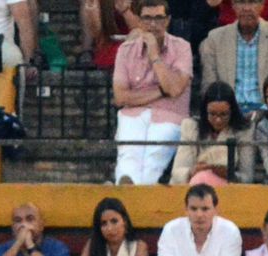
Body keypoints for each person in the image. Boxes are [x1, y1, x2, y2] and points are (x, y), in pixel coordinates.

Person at [111, 0, 193, 186]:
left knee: (154, 158)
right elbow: (121, 97)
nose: (153, 24)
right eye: (147, 19)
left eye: (158, 18)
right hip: (133, 114)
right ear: (139, 21)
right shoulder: (125, 50)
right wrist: (161, 91)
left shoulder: (182, 47)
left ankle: (131, 196)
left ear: (168, 20)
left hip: (170, 115)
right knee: (129, 154)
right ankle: (128, 189)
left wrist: (154, 55)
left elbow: (174, 89)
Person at [197, 0, 268, 115]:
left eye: (252, 2)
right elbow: (209, 87)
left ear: (262, 5)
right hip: (229, 115)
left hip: (267, 113)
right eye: (241, 2)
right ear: (233, 6)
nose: (246, 8)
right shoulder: (215, 39)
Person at [154, 184, 242, 256]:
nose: (199, 215)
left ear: (215, 210)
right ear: (186, 210)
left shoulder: (230, 231)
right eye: (193, 209)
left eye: (205, 209)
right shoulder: (171, 230)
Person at [170, 81, 255, 186]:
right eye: (213, 114)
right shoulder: (191, 127)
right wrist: (193, 171)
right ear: (205, 111)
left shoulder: (244, 130)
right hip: (193, 186)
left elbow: (247, 176)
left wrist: (229, 175)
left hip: (229, 189)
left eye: (224, 114)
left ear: (232, 111)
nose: (218, 120)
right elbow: (177, 171)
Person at [78, 0, 138, 69]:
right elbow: (96, 32)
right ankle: (86, 50)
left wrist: (125, 11)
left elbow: (142, 30)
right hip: (109, 52)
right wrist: (91, 11)